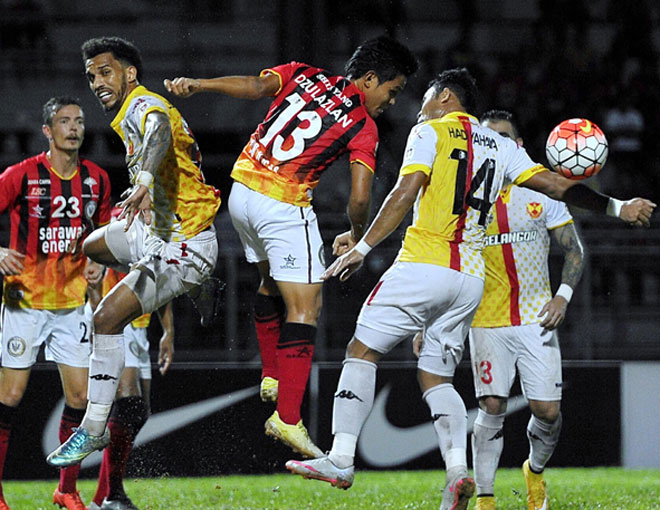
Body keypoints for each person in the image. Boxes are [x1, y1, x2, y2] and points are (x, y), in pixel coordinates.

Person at [285, 68, 655, 510]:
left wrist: (363, 246)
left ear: (443, 96)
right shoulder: (501, 146)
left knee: (360, 351)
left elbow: (406, 190)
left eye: (423, 95)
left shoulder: (430, 131)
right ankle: (459, 472)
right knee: (436, 374)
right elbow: (558, 185)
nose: (418, 104)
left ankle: (341, 458)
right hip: (470, 280)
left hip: (425, 262)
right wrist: (618, 206)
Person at [164, 36, 418, 458]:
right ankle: (287, 417)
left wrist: (200, 85)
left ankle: (271, 374)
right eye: (391, 92)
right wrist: (357, 235)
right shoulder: (362, 125)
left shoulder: (304, 73)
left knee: (269, 280)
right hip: (283, 204)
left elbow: (253, 85)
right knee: (306, 309)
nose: (390, 102)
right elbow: (359, 197)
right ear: (370, 79)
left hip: (242, 190)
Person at [46, 36, 221, 468]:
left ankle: (91, 429)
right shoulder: (127, 113)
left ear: (129, 74)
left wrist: (142, 182)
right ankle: (183, 282)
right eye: (91, 77)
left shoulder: (145, 104)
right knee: (89, 245)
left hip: (187, 243)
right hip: (155, 231)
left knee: (106, 318)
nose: (97, 83)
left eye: (106, 73)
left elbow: (159, 129)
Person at [417, 109, 585, 510]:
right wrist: (426, 320)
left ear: (519, 146)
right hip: (485, 320)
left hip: (535, 317)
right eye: (487, 138)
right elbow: (439, 258)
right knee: (492, 404)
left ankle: (535, 471)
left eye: (504, 137)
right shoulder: (465, 193)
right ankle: (487, 499)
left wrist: (562, 295)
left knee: (547, 411)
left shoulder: (543, 189)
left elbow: (573, 249)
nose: (495, 144)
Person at [0, 97, 111, 510]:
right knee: (9, 397)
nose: (74, 128)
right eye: (64, 121)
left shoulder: (97, 179)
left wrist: (99, 261)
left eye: (79, 121)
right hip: (23, 303)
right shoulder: (22, 175)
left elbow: (99, 234)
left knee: (81, 399)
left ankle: (66, 489)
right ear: (48, 130)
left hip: (71, 304)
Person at [85, 212, 174, 510]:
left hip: (139, 326)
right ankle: (113, 495)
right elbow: (96, 270)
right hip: (116, 324)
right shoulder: (121, 220)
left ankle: (103, 495)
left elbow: (168, 277)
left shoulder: (163, 222)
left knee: (139, 413)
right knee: (129, 404)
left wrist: (168, 333)